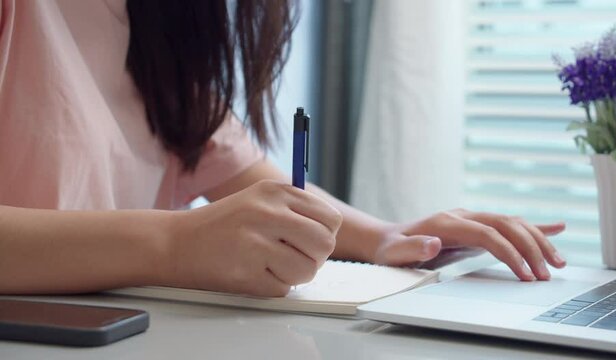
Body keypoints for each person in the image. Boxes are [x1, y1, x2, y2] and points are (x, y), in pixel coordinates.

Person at [0, 0, 566, 297]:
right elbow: (195, 234)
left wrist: (388, 237)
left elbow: (254, 182)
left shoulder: (161, 26)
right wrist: (176, 245)